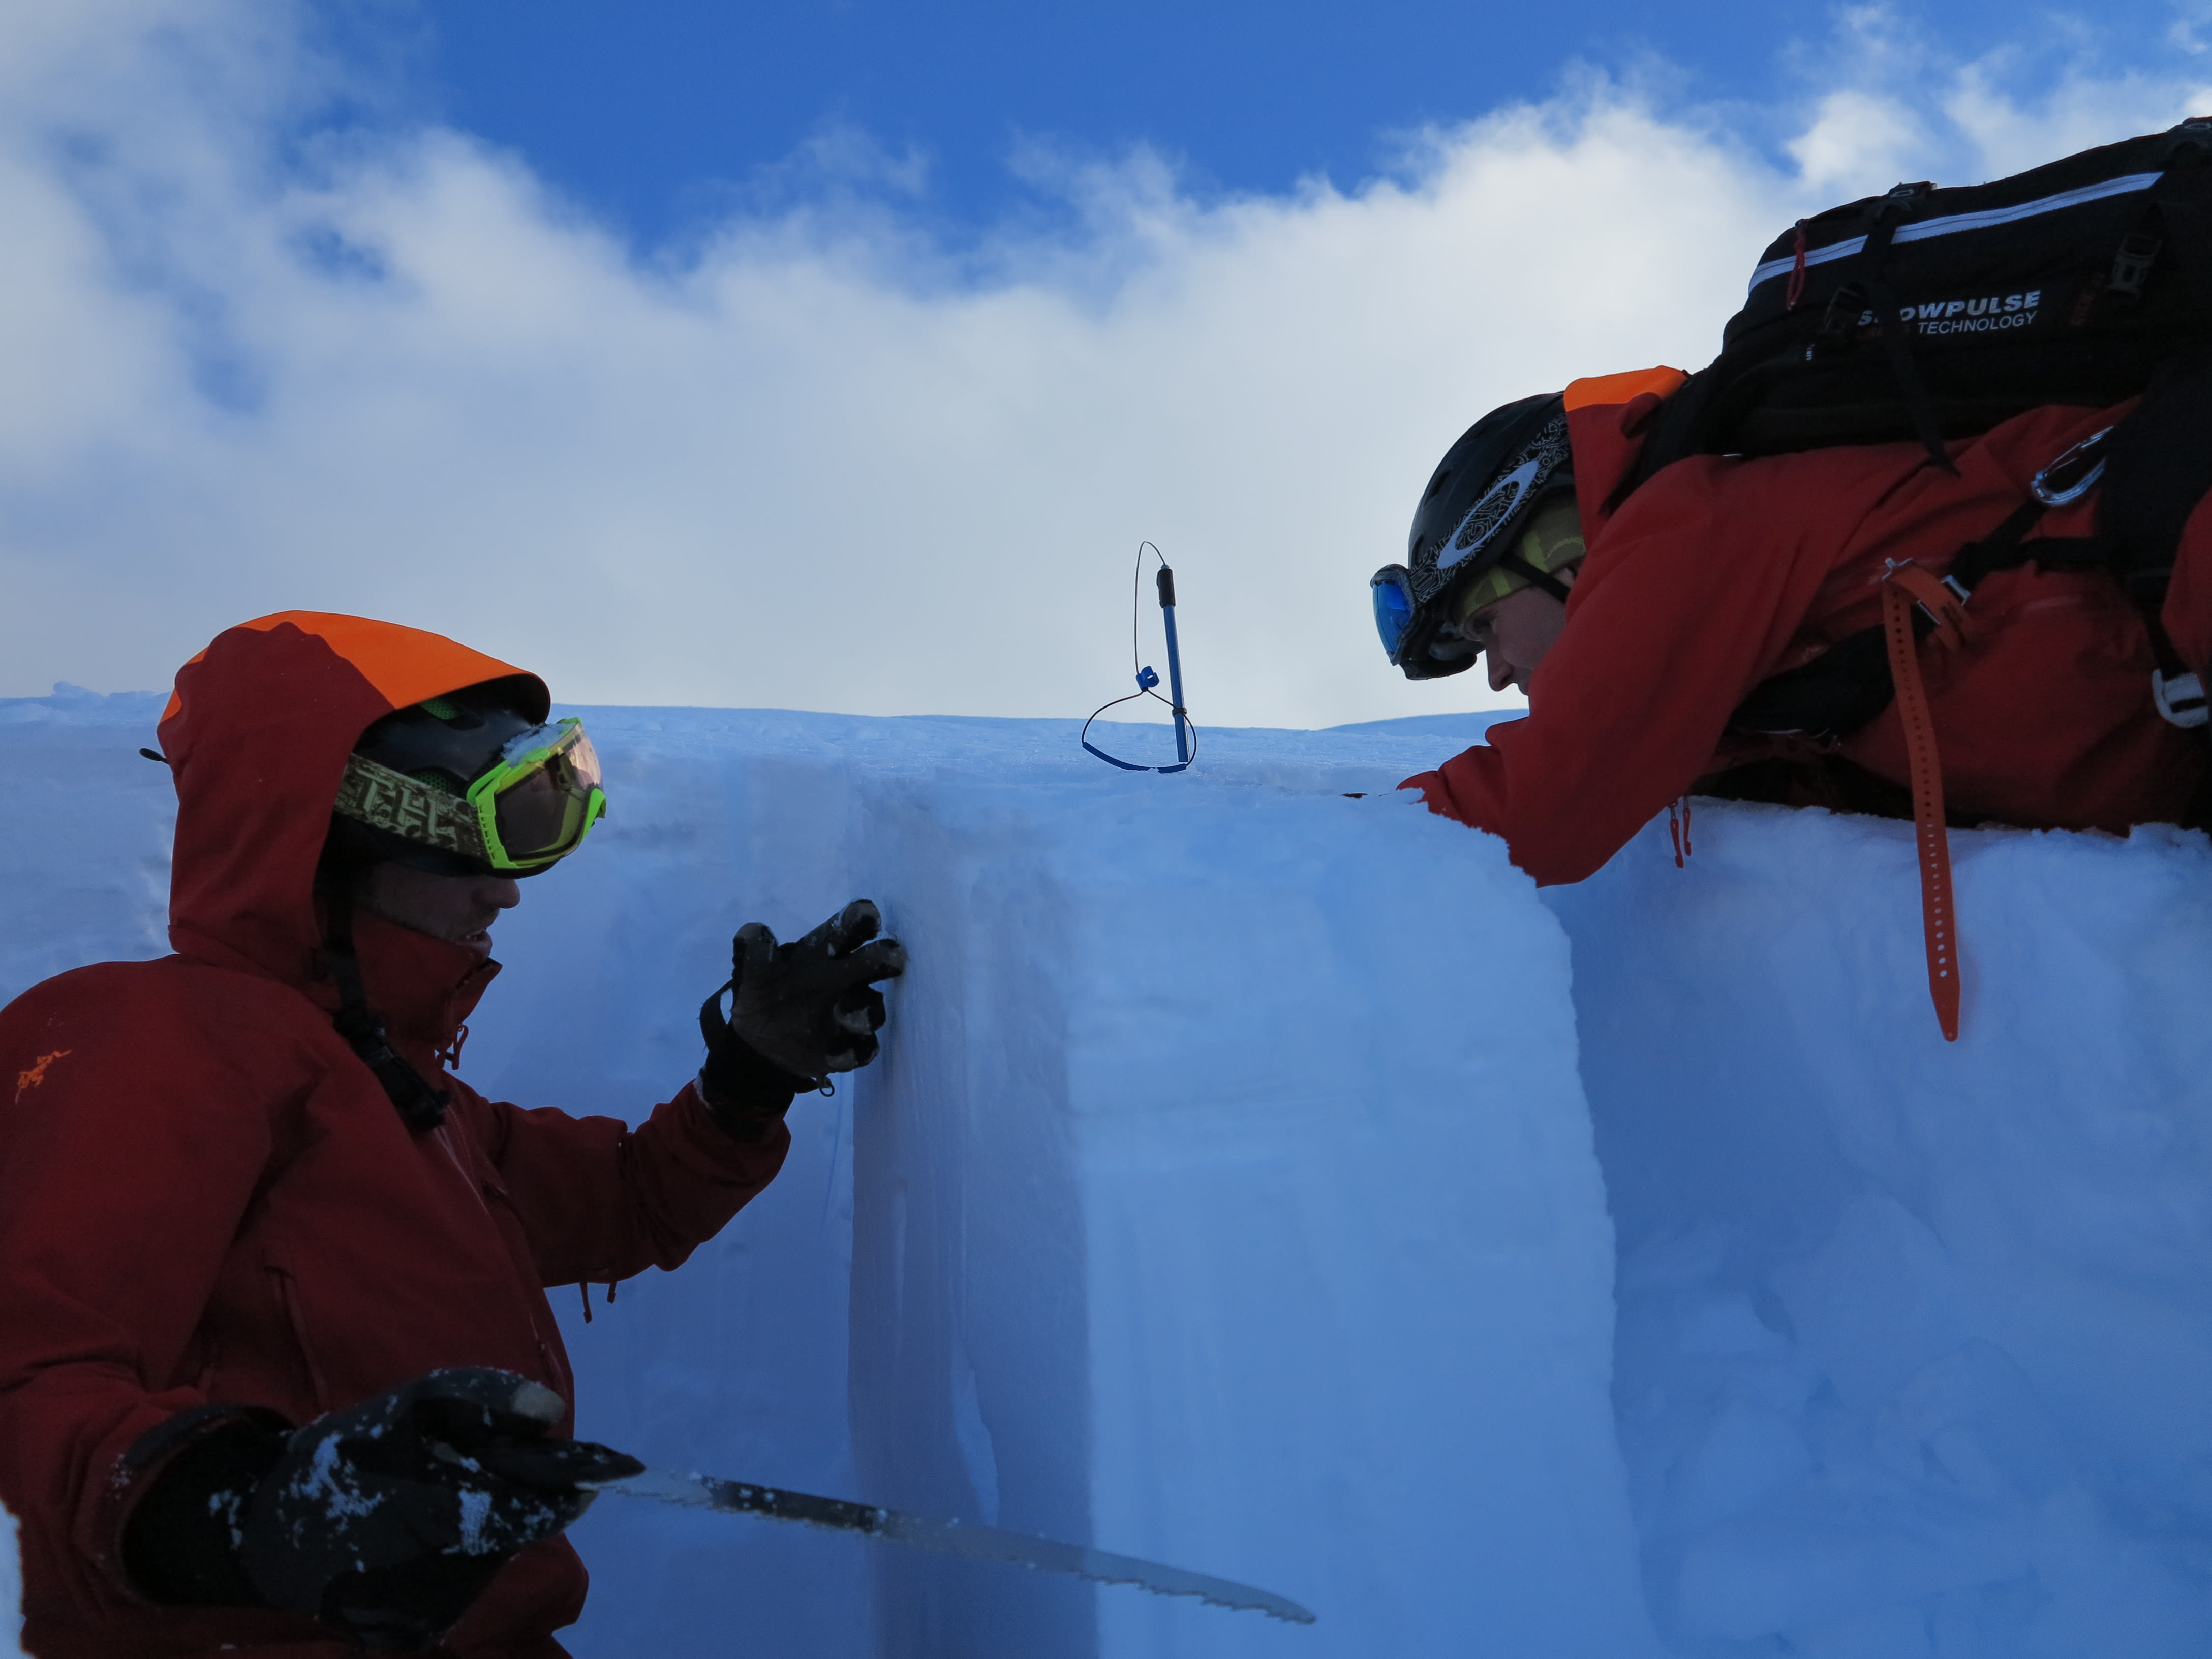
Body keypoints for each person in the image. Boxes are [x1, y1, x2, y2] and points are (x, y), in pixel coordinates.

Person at [0, 611, 907, 1657]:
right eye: (474, 851)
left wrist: (751, 1075)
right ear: (334, 851)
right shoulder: (156, 1038)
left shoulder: (398, 1093)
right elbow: (31, 1373)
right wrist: (246, 1512)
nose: (505, 891)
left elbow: (620, 1199)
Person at [1371, 369, 2210, 891]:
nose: (1497, 672)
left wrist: (1349, 840)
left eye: (1486, 625)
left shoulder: (1688, 528)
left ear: (1552, 550)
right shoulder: (1734, 676)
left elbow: (1546, 806)